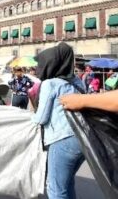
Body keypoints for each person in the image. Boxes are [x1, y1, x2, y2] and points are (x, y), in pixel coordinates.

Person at [32, 42, 85, 199]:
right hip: (83, 139)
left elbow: (41, 118)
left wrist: (28, 117)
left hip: (62, 140)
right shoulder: (77, 82)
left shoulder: (50, 84)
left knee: (55, 188)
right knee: (67, 183)